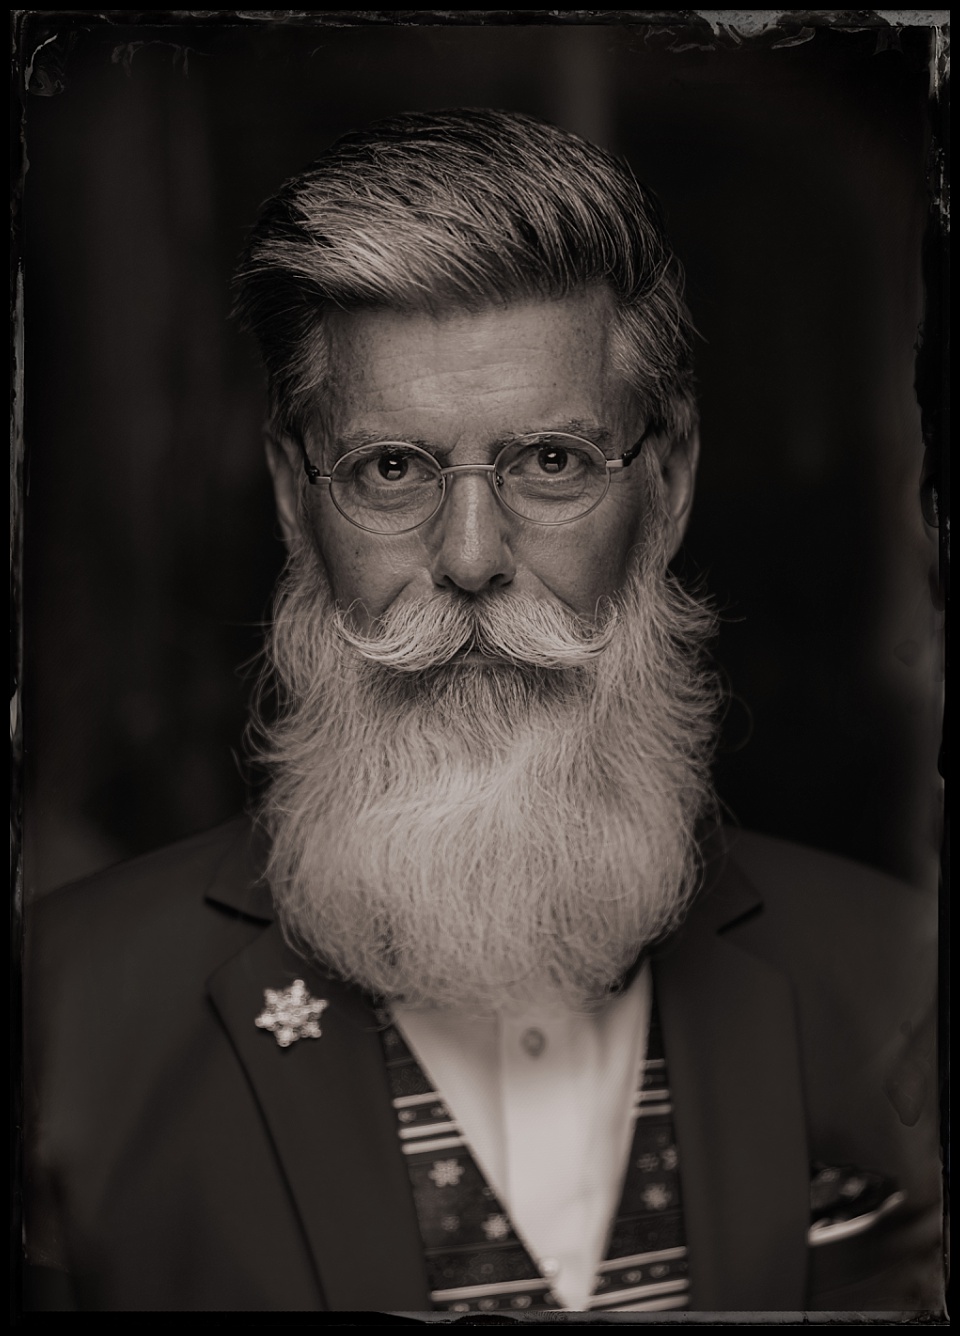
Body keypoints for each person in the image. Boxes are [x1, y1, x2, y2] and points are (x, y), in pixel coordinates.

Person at [22, 108, 942, 1315]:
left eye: (552, 462)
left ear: (666, 487)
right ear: (296, 498)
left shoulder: (902, 985)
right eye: (391, 468)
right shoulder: (58, 1019)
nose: (468, 559)